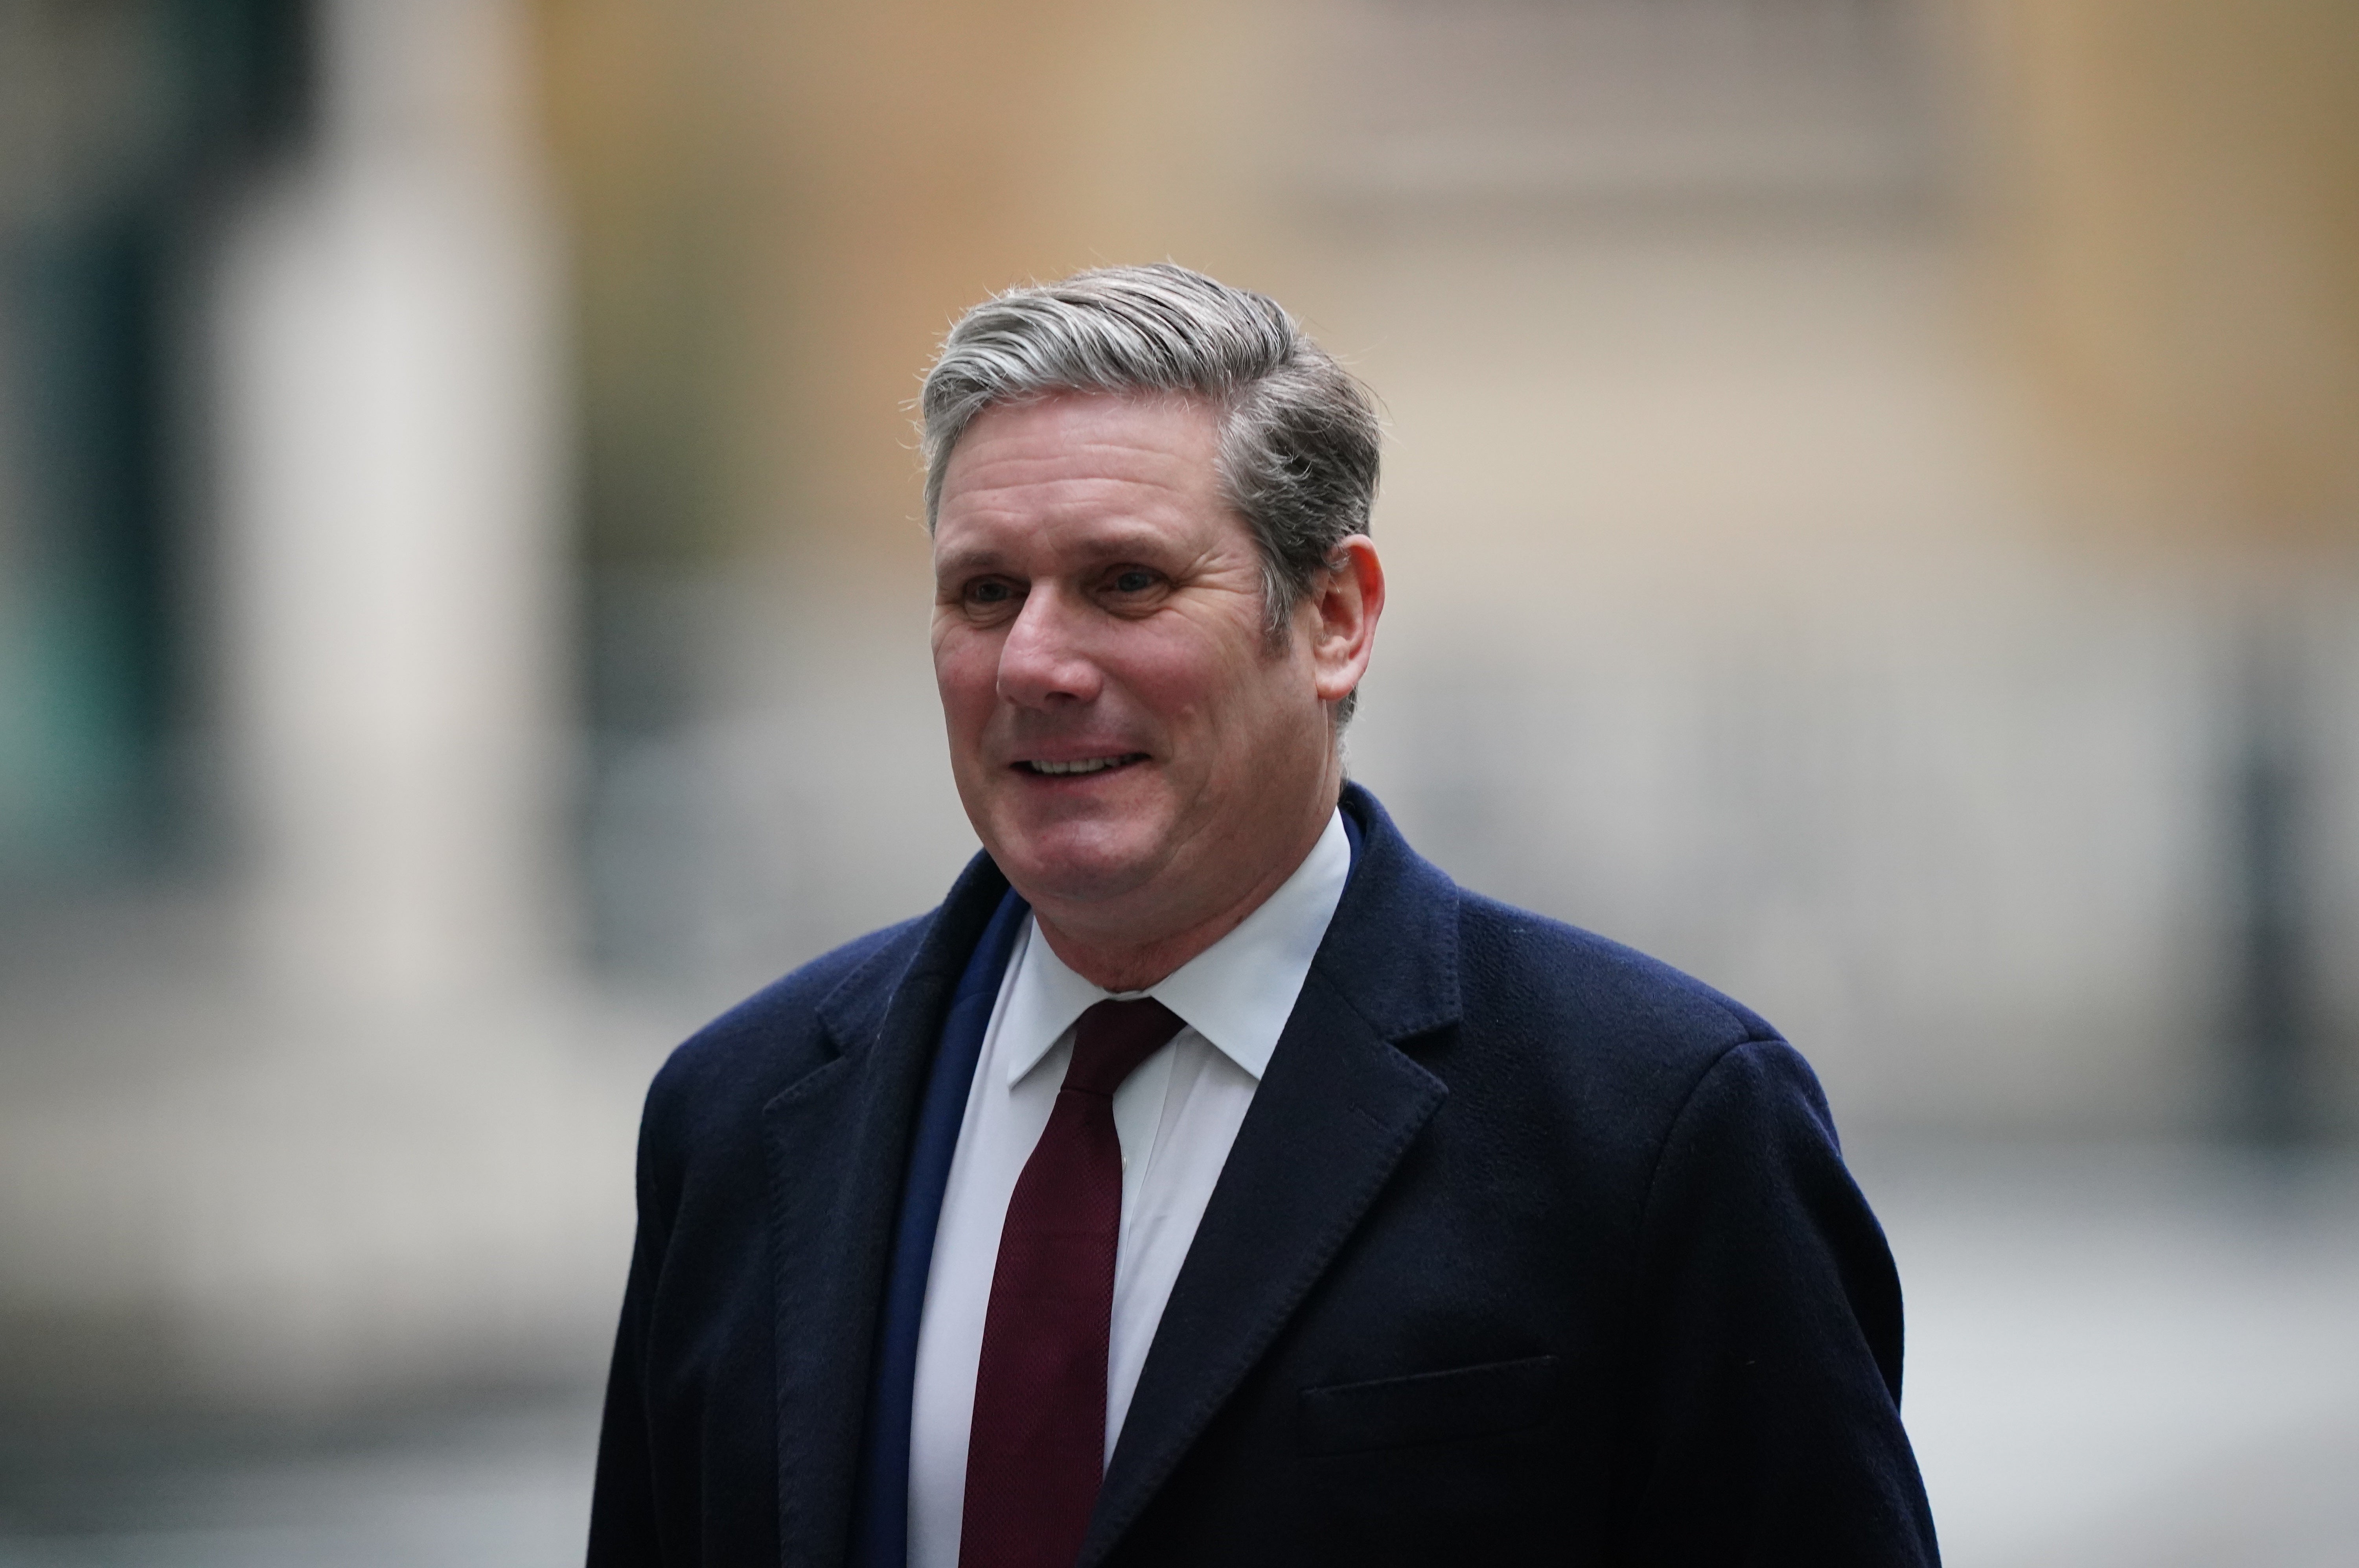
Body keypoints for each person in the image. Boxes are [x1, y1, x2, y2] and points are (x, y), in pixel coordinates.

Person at [586, 264, 1939, 1567]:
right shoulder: (734, 1118)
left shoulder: (1659, 1124)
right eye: (985, 592)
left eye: (1128, 583)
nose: (1037, 663)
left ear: (1336, 618)